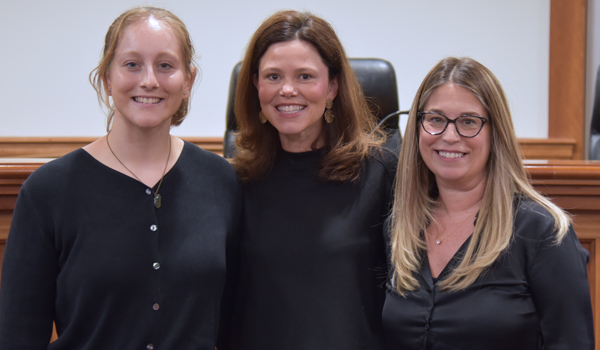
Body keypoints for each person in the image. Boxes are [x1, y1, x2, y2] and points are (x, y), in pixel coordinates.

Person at [0, 6, 241, 349]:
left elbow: (235, 320)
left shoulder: (222, 182)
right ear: (107, 79)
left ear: (187, 81)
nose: (149, 80)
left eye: (165, 65)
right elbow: (19, 336)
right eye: (131, 64)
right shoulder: (47, 191)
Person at [383, 57, 594, 349]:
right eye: (435, 119)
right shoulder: (399, 229)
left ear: (496, 133)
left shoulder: (542, 232)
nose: (449, 136)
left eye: (469, 122)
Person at [229, 10, 397, 350]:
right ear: (256, 86)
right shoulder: (235, 181)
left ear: (332, 86)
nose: (287, 90)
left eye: (305, 76)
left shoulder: (381, 173)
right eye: (273, 76)